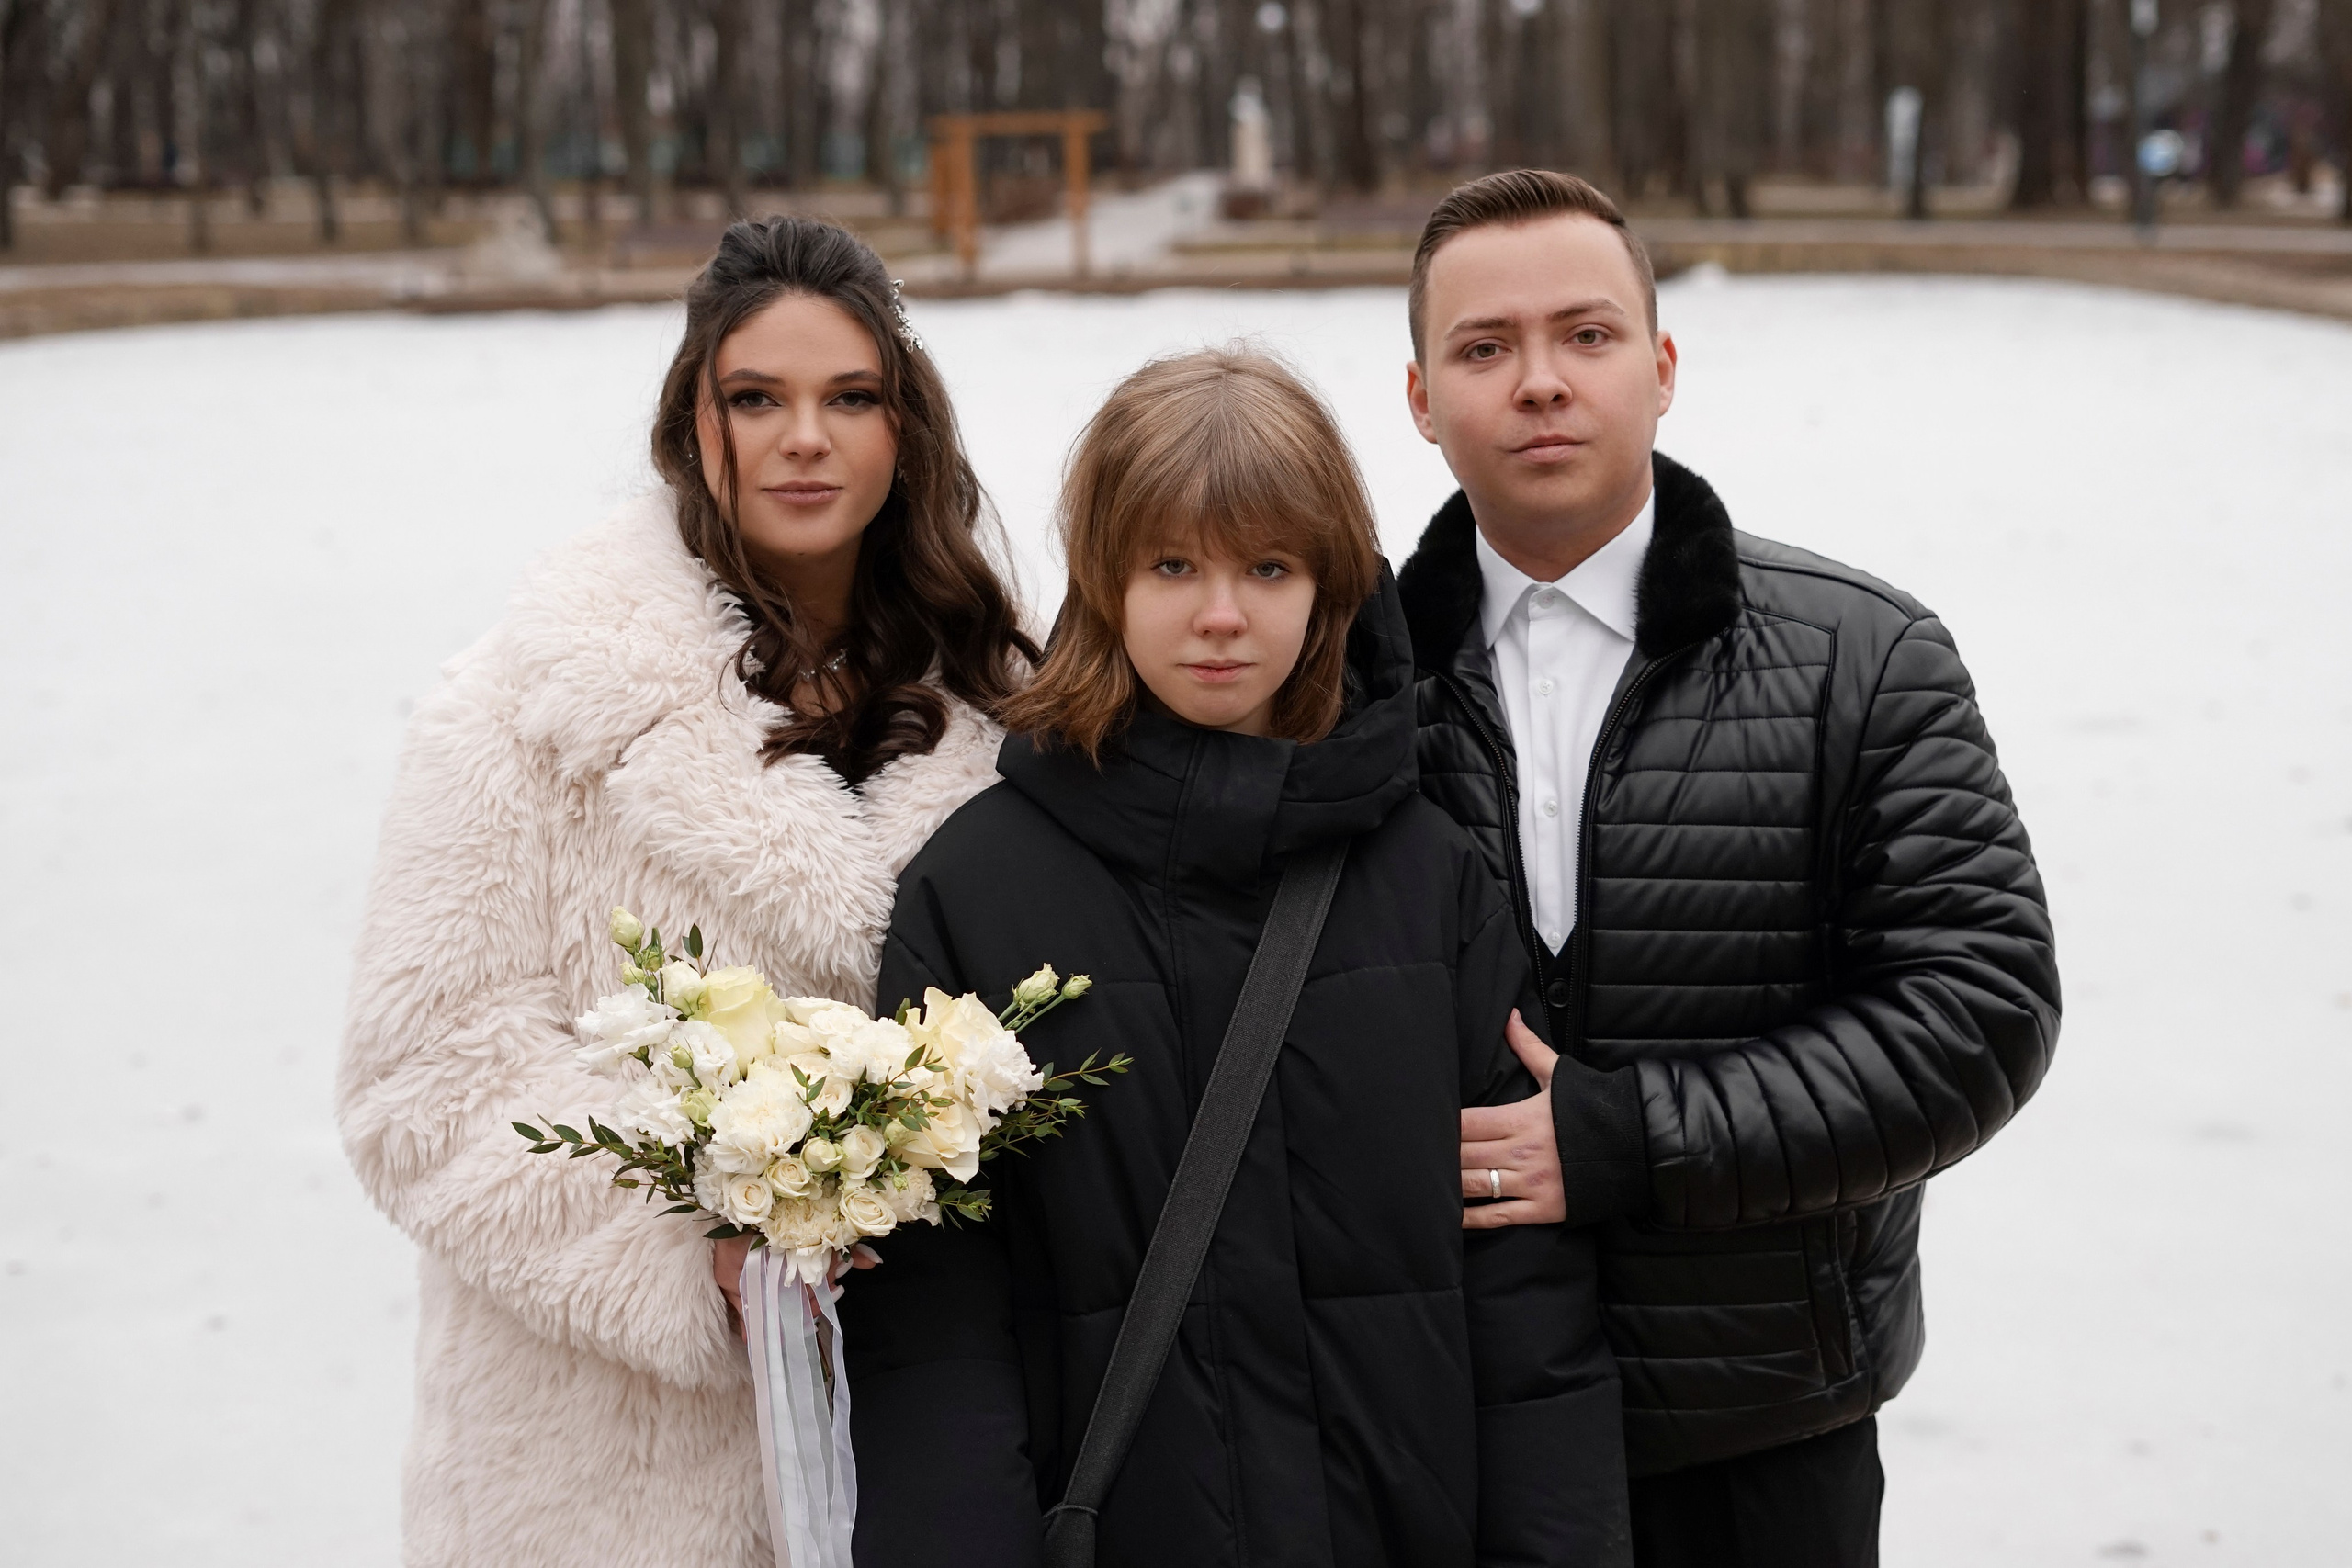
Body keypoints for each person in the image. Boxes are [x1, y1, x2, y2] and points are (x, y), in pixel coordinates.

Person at [840, 348, 1633, 1567]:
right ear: (1103, 580)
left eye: (1267, 566)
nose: (1221, 615)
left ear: (1329, 582)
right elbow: (936, 1325)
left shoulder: (1432, 882)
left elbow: (1528, 1308)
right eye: (1172, 566)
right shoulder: (976, 891)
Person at [336, 216, 1034, 1567]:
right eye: (755, 399)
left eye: (849, 398)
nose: (804, 439)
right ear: (691, 425)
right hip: (599, 1470)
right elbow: (419, 1083)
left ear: (907, 426)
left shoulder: (1007, 710)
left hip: (934, 1438)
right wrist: (697, 1241)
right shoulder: (522, 716)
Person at [1402, 170, 2060, 1566]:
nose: (1539, 384)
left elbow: (1980, 1010)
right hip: (1432, 1425)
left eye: (1586, 336)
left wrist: (1635, 1139)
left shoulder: (1861, 656)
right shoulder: (1337, 680)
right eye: (1484, 348)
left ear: (1663, 365)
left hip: (1760, 1428)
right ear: (1419, 397)